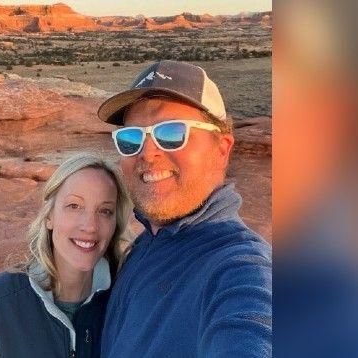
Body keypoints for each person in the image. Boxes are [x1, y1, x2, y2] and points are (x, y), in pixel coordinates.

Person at [98, 60, 272, 357]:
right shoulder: (142, 247)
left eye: (171, 133)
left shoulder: (240, 269)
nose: (148, 154)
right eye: (131, 139)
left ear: (222, 148)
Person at [0, 153, 133, 358]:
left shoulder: (127, 298)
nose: (90, 226)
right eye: (74, 206)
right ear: (49, 216)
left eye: (105, 211)